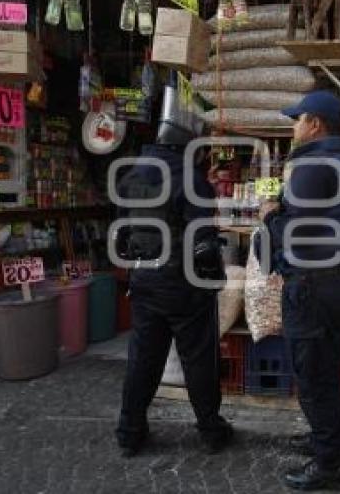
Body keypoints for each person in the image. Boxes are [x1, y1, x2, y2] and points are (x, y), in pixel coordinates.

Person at [113, 71, 232, 457]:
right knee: (198, 358)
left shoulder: (131, 174)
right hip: (183, 282)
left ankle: (129, 432)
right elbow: (203, 242)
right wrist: (215, 280)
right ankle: (211, 430)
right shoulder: (189, 178)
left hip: (145, 279)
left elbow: (121, 232)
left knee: (143, 359)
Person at [255, 90, 340, 490]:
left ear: (315, 124)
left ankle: (328, 466)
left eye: (297, 119)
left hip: (313, 289)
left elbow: (295, 237)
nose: (293, 126)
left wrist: (270, 215)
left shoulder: (312, 167)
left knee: (315, 377)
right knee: (326, 374)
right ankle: (325, 439)